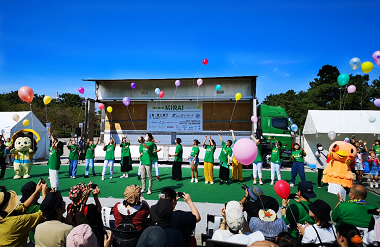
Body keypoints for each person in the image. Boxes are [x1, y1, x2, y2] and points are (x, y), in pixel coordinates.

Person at [0, 181, 47, 247]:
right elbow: (43, 213)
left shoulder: (4, 216)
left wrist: (36, 192)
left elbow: (23, 207)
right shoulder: (17, 221)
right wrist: (44, 193)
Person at [67, 182, 104, 246]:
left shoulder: (69, 208)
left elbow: (80, 204)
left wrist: (87, 194)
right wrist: (95, 197)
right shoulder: (90, 208)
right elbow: (98, 210)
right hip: (91, 239)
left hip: (75, 239)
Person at [20, 180, 49, 245]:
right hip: (41, 241)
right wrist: (45, 194)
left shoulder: (22, 207)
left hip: (30, 239)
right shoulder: (38, 208)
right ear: (37, 195)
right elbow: (48, 211)